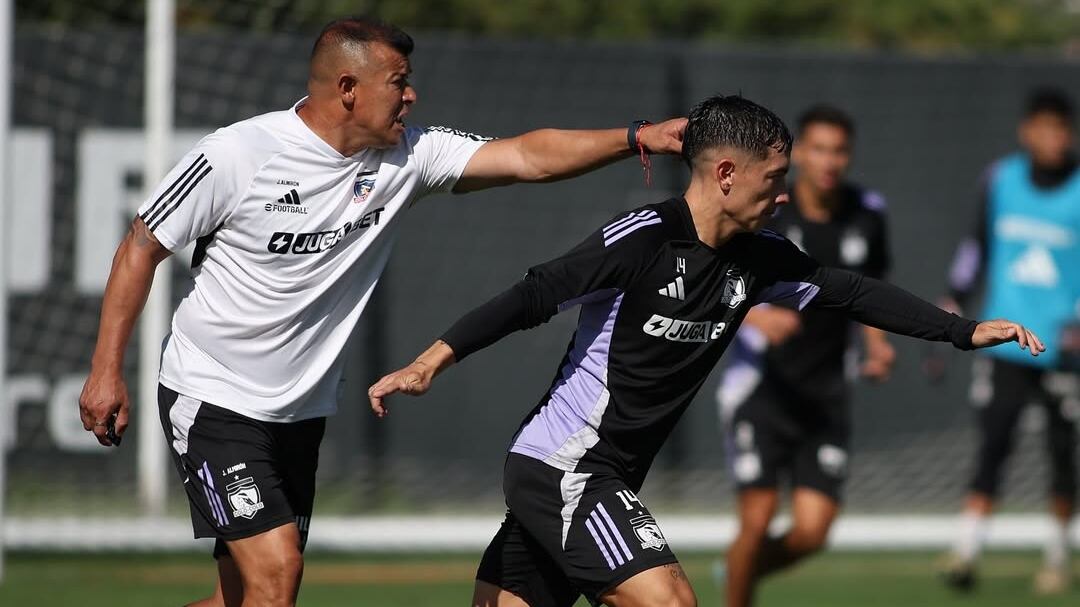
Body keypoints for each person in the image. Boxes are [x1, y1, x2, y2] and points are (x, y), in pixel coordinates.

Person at [75, 16, 687, 607]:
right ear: (348, 88)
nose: (411, 96)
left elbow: (528, 156)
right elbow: (140, 247)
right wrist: (105, 370)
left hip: (299, 414)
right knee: (277, 575)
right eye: (399, 82)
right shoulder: (237, 154)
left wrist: (635, 137)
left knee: (241, 598)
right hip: (214, 397)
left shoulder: (409, 157)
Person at [368, 94, 1043, 607]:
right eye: (773, 178)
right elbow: (534, 294)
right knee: (671, 602)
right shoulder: (644, 239)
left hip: (602, 473)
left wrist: (963, 330)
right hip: (567, 466)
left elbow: (850, 291)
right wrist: (432, 360)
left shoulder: (760, 256)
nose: (783, 194)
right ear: (725, 173)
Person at [715, 104, 893, 607]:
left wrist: (877, 345)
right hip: (762, 390)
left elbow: (872, 292)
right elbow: (716, 282)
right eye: (818, 149)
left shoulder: (868, 213)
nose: (829, 161)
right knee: (756, 520)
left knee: (813, 532)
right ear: (799, 155)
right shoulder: (767, 209)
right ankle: (738, 582)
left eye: (839, 150)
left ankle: (737, 571)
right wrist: (756, 317)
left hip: (825, 393)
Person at [938, 86, 1080, 595]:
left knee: (1063, 454)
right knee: (993, 444)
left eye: (1061, 129)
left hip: (1064, 348)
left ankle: (1058, 557)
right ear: (1026, 131)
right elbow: (975, 246)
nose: (1053, 138)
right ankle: (966, 551)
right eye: (1043, 128)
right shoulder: (1001, 179)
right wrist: (954, 298)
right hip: (1006, 341)